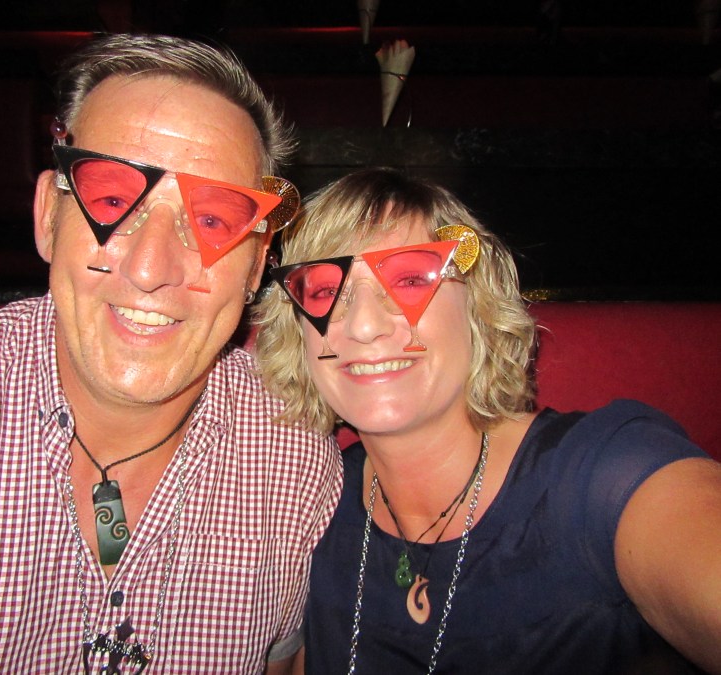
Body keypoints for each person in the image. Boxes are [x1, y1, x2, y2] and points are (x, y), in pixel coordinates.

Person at [0, 34, 342, 674]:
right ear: (48, 216)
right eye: (113, 200)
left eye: (211, 221)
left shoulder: (293, 454)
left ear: (258, 263)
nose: (151, 268)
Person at [254, 168, 721, 674]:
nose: (364, 326)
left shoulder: (603, 473)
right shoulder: (306, 503)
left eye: (410, 280)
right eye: (325, 291)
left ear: (476, 307)